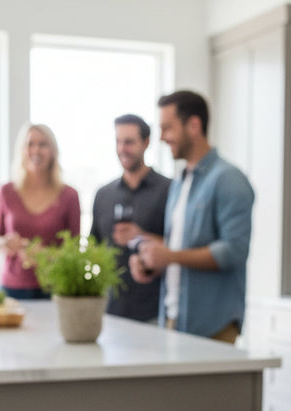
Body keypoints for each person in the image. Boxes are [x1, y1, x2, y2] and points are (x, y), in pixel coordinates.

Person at [130, 90, 254, 344]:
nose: (162, 138)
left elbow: (234, 250)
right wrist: (152, 262)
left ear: (194, 125)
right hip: (174, 321)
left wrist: (171, 256)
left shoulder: (228, 179)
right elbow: (181, 249)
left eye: (167, 128)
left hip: (213, 327)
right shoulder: (179, 183)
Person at [90, 114, 171, 323]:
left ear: (146, 143)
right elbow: (93, 249)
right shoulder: (103, 195)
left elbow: (179, 248)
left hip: (155, 311)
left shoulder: (169, 190)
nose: (122, 149)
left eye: (129, 142)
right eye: (118, 141)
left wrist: (141, 236)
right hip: (110, 311)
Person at [0, 123, 80, 300]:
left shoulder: (69, 196)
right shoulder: (6, 191)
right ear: (22, 150)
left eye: (43, 144)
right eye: (30, 144)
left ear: (53, 150)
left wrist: (47, 256)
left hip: (53, 287)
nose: (36, 150)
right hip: (12, 287)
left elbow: (75, 249)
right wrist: (6, 243)